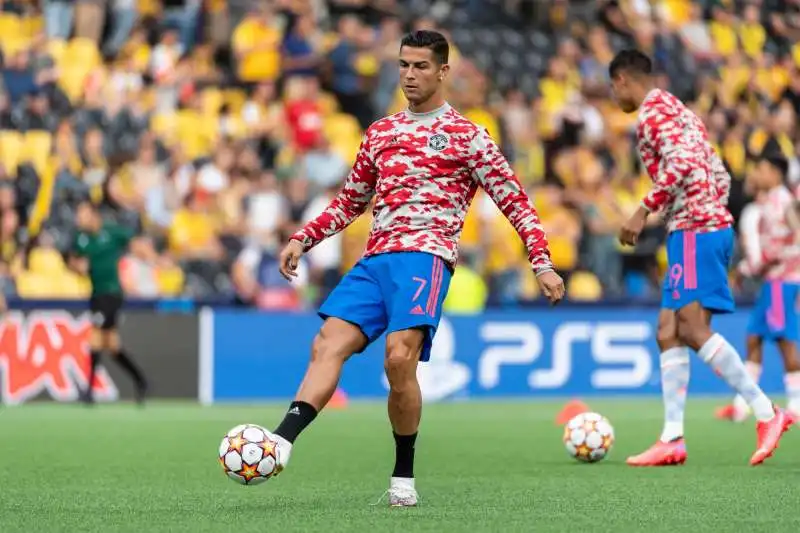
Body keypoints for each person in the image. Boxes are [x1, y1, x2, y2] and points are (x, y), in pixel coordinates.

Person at [267, 30, 565, 506]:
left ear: (443, 71)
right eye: (404, 65)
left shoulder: (469, 137)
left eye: (421, 66)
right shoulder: (381, 133)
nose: (409, 74)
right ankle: (279, 443)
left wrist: (542, 262)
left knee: (398, 358)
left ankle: (402, 475)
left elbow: (516, 202)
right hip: (375, 260)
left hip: (424, 258)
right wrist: (305, 238)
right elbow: (350, 202)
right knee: (327, 343)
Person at [610, 49, 794, 467]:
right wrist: (712, 206)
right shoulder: (682, 112)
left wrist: (645, 208)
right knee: (668, 330)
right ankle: (672, 438)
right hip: (698, 227)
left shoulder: (652, 113)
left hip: (696, 231)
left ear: (622, 79)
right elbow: (716, 169)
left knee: (690, 328)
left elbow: (686, 162)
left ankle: (767, 412)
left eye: (613, 87)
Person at [716, 155, 800, 421]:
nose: (757, 173)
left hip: (781, 280)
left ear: (775, 174)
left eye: (762, 169)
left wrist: (743, 270)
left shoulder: (781, 203)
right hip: (773, 281)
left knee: (784, 340)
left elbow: (776, 249)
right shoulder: (774, 202)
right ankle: (742, 405)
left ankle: (796, 405)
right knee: (754, 338)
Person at [71, 202, 149, 405]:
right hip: (95, 294)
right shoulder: (81, 238)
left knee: (95, 338)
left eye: (83, 214)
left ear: (93, 214)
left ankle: (89, 392)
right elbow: (74, 261)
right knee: (112, 345)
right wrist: (78, 266)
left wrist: (151, 257)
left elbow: (134, 242)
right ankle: (141, 380)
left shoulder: (112, 232)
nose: (79, 220)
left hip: (111, 294)